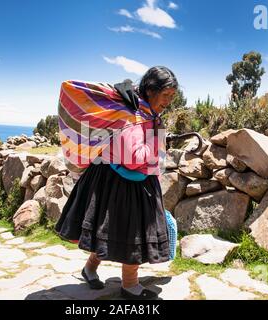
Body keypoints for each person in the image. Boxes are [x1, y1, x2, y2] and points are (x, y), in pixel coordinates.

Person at [55, 66, 178, 300]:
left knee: (109, 233)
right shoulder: (132, 116)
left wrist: (157, 140)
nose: (168, 101)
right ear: (150, 90)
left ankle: (89, 269)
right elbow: (134, 160)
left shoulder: (147, 114)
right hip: (121, 184)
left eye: (172, 97)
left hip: (120, 181)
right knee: (132, 235)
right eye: (166, 96)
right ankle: (130, 285)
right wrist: (158, 144)